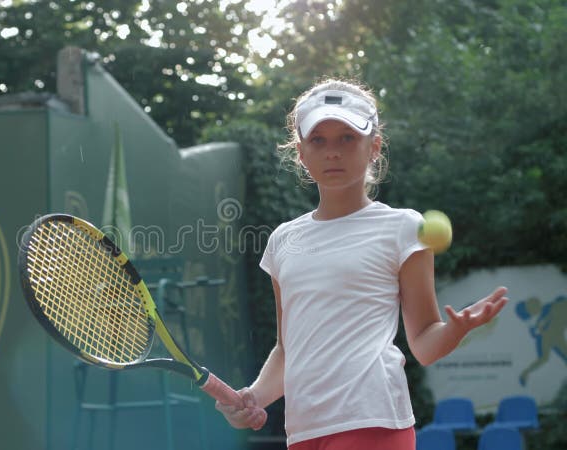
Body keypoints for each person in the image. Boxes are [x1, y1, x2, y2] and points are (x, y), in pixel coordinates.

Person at [216, 78, 509, 449]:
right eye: (318, 140)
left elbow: (423, 344)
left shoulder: (404, 228)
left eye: (347, 138)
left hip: (373, 421)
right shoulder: (282, 241)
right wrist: (255, 397)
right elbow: (287, 349)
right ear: (301, 153)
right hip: (304, 431)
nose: (332, 152)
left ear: (374, 146)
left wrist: (457, 328)